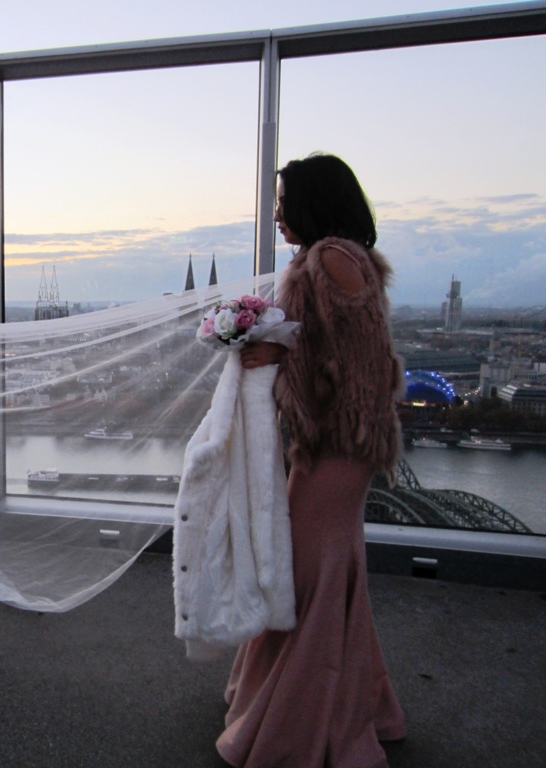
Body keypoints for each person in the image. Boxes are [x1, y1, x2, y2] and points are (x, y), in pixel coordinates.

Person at [225, 153, 407, 767]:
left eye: (283, 202)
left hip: (343, 442)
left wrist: (269, 357)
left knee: (306, 574)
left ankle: (302, 715)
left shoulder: (329, 262)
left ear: (315, 203)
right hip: (336, 440)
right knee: (324, 572)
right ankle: (344, 698)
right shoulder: (332, 259)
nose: (277, 214)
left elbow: (354, 367)